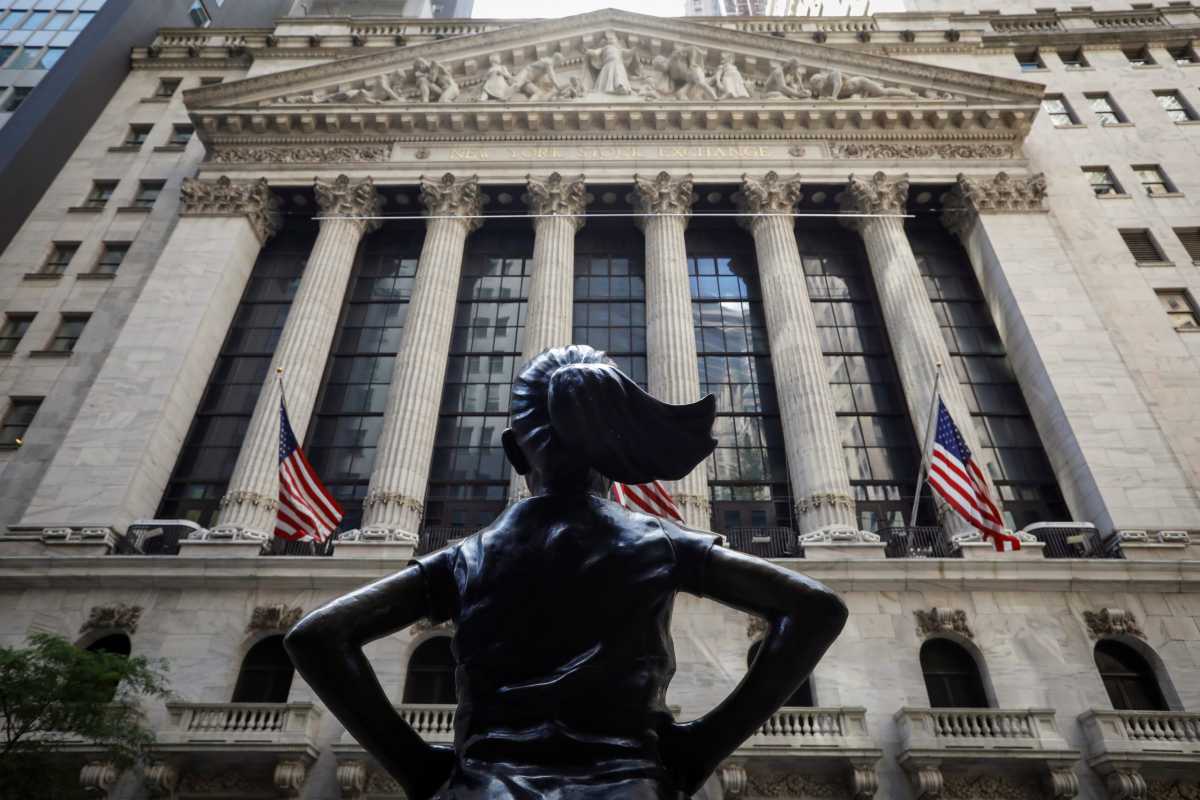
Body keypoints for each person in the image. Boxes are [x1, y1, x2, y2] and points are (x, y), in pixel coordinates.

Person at [285, 345, 848, 800]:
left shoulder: (467, 557)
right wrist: (703, 746)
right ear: (613, 452)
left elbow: (317, 636)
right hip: (627, 785)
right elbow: (815, 607)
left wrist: (417, 768)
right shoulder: (658, 542)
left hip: (486, 786)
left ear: (514, 452)